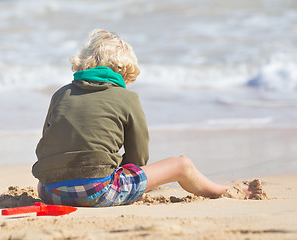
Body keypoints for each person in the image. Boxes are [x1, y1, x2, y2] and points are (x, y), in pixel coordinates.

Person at [32, 29, 262, 207]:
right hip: (97, 191)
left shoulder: (61, 93)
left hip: (50, 190)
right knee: (182, 164)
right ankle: (223, 190)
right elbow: (138, 158)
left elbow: (48, 144)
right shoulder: (127, 98)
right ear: (124, 72)